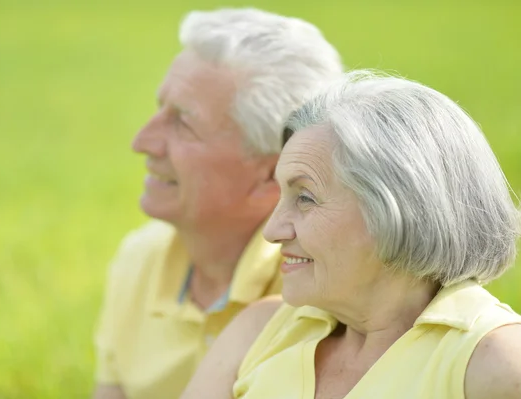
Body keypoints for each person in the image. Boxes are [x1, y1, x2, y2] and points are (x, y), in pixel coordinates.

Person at [180, 70, 521, 399]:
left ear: (398, 208)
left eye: (305, 198)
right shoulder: (260, 331)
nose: (273, 231)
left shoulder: (494, 361)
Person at [92, 8, 343, 399]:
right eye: (160, 109)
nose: (143, 141)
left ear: (272, 175)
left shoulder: (331, 295)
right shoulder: (139, 260)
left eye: (183, 123)